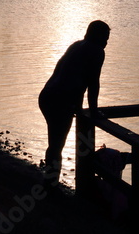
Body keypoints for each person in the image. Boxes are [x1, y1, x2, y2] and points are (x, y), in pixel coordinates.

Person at [38, 20, 110, 189]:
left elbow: (69, 75)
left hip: (47, 96)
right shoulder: (96, 51)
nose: (106, 42)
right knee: (57, 144)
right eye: (105, 38)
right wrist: (94, 112)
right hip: (59, 101)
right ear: (96, 35)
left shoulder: (76, 45)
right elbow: (93, 83)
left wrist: (78, 106)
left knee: (55, 143)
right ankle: (51, 186)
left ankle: (50, 182)